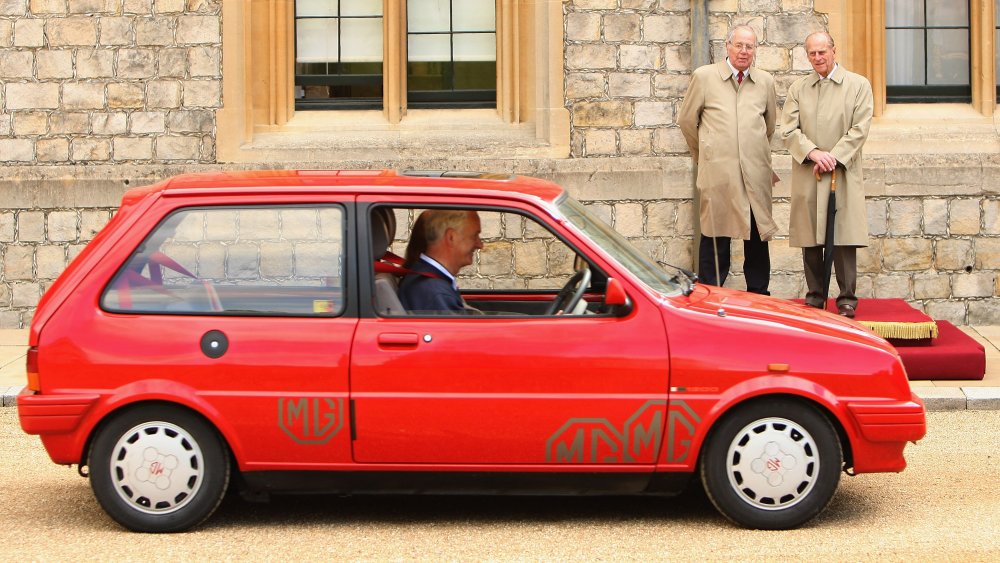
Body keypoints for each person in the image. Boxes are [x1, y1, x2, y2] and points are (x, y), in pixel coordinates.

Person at [677, 24, 779, 295]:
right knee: (715, 235)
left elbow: (769, 126)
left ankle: (759, 295)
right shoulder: (704, 77)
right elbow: (687, 121)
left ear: (755, 50)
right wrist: (706, 157)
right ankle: (711, 296)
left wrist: (751, 151)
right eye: (739, 45)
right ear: (728, 46)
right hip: (718, 174)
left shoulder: (765, 81)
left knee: (757, 237)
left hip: (755, 174)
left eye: (750, 46)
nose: (744, 51)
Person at [780, 31, 873, 318]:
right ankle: (815, 296)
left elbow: (860, 128)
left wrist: (833, 156)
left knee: (843, 237)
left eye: (822, 51)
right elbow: (789, 129)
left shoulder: (858, 85)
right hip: (811, 173)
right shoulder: (798, 88)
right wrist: (814, 153)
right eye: (812, 53)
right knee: (811, 238)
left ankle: (846, 299)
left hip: (841, 173)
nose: (818, 57)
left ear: (834, 50)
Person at [398, 209, 482, 313]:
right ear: (451, 237)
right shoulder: (436, 294)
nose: (480, 245)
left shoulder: (427, 281)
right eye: (474, 236)